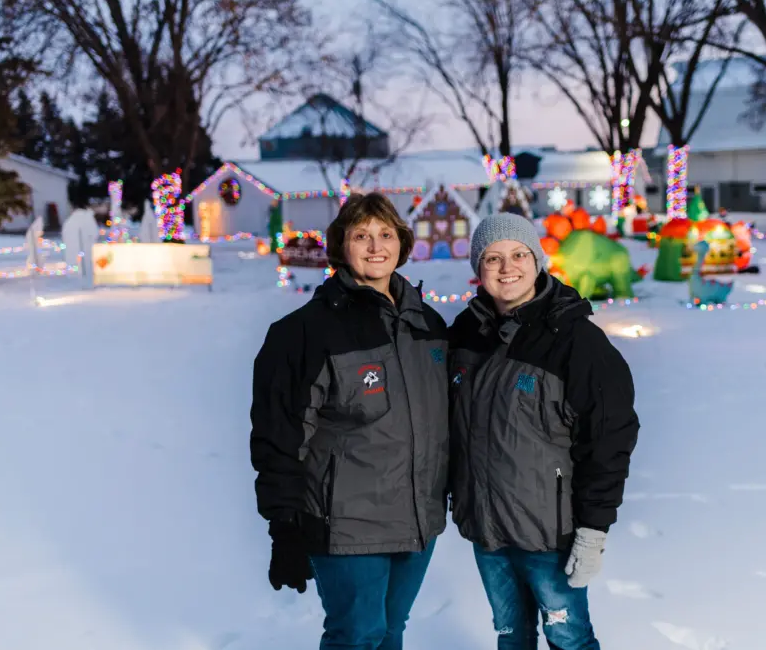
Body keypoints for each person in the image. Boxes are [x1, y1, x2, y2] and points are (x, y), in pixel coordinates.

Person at [250, 193, 450, 650]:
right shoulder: (302, 333)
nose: (375, 245)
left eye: (385, 234)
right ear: (341, 246)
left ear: (402, 242)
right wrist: (284, 526)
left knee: (390, 631)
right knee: (357, 635)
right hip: (346, 523)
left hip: (418, 518)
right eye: (361, 235)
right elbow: (278, 436)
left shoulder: (428, 324)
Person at [448, 213, 640, 649]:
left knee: (568, 637)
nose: (507, 267)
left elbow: (610, 437)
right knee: (510, 635)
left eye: (518, 254)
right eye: (492, 258)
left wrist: (593, 528)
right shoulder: (466, 334)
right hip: (488, 528)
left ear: (537, 260)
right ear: (478, 269)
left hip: (550, 534)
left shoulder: (577, 342)